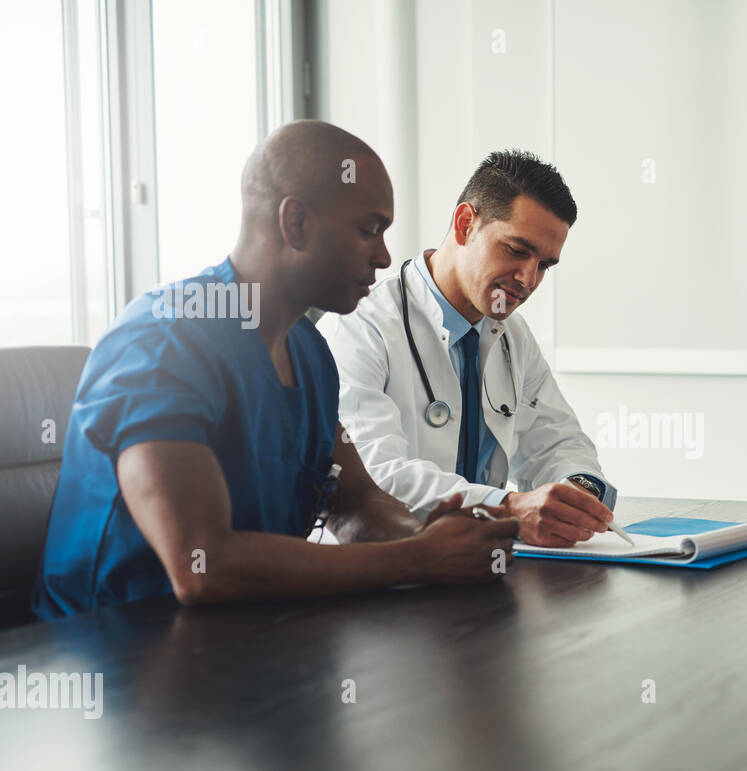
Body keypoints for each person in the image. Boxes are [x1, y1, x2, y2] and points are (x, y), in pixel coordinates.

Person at [33, 121, 518, 619]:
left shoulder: (307, 351)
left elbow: (354, 502)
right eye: (369, 230)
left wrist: (431, 535)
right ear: (297, 224)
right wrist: (417, 558)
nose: (384, 256)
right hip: (115, 660)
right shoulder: (161, 343)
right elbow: (202, 567)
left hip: (248, 642)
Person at [317, 150, 616, 548]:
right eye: (516, 249)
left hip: (473, 566)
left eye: (545, 265)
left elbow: (559, 441)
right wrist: (507, 508)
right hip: (377, 577)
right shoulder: (360, 324)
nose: (528, 278)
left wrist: (577, 491)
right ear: (464, 224)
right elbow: (375, 478)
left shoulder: (513, 335)